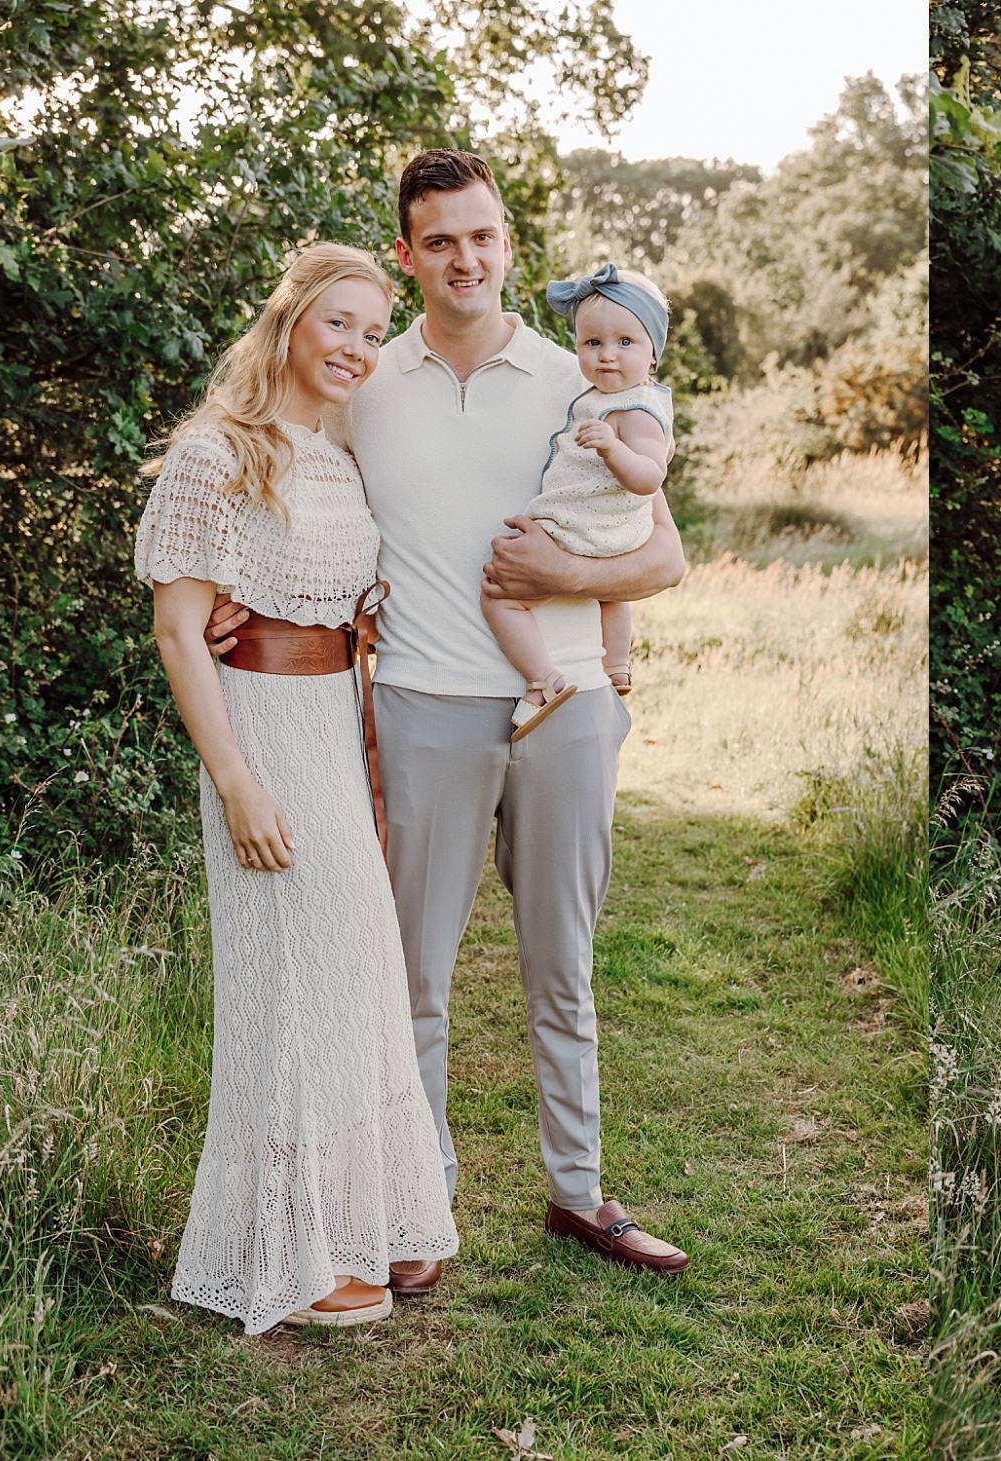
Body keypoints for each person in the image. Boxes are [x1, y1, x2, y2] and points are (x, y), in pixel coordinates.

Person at [206, 150, 691, 1290]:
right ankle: (414, 1204)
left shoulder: (576, 376)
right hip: (422, 703)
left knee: (561, 968)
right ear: (408, 255)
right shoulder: (365, 381)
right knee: (410, 975)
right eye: (439, 241)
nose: (463, 258)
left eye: (481, 236)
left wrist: (560, 568)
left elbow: (663, 553)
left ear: (507, 240)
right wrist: (231, 592)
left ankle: (580, 1195)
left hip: (567, 703)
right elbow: (286, 494)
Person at [137, 243, 458, 1333]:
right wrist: (234, 782)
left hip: (331, 727)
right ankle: (289, 1250)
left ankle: (346, 1220)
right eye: (341, 324)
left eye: (375, 331)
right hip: (261, 740)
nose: (359, 348)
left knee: (350, 974)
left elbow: (339, 591)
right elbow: (183, 633)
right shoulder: (211, 452)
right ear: (288, 323)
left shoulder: (333, 452)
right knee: (290, 991)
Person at [484, 262, 673, 740]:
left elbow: (650, 477)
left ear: (654, 355)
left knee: (498, 595)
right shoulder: (599, 394)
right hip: (611, 532)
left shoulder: (639, 411)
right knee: (612, 591)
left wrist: (612, 447)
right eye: (593, 343)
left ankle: (542, 680)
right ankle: (618, 663)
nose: (607, 356)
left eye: (625, 343)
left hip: (583, 527)